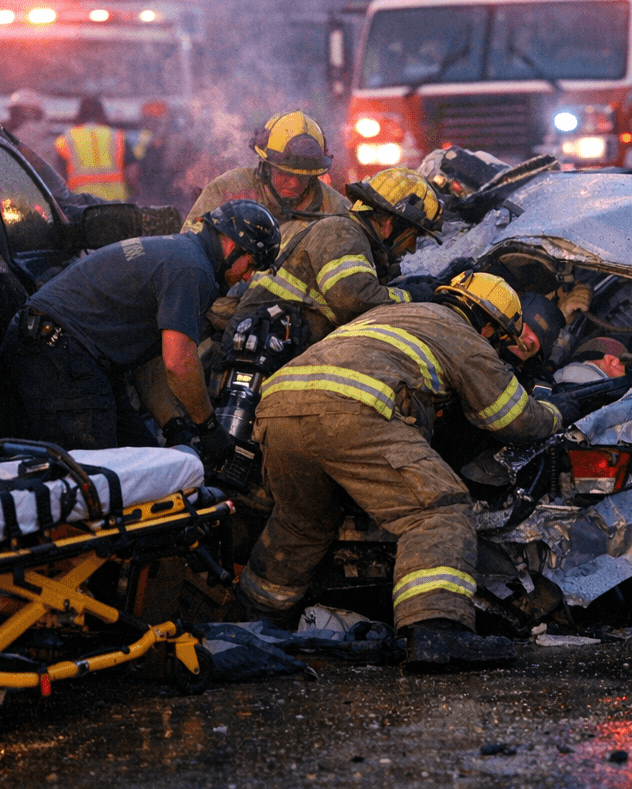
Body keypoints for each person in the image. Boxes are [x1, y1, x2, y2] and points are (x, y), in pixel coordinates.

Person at [236, 271, 579, 672]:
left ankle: (251, 627)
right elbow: (514, 419)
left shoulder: (389, 315)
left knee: (301, 525)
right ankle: (438, 632)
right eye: (498, 339)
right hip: (351, 410)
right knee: (439, 509)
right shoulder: (463, 335)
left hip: (278, 407)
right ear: (488, 325)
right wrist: (558, 413)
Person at [1, 200, 279, 457]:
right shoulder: (194, 270)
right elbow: (179, 363)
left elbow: (151, 360)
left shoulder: (182, 252)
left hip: (65, 349)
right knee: (96, 472)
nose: (247, 276)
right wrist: (209, 429)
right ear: (231, 245)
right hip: (60, 351)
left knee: (143, 456)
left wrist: (172, 425)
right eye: (252, 264)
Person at [228, 166, 442, 350]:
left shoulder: (352, 237)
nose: (413, 247)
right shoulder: (342, 232)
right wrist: (414, 295)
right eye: (412, 236)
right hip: (259, 348)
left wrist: (419, 284)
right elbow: (355, 302)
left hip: (272, 342)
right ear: (391, 223)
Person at [183, 110, 349, 238]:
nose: (294, 183)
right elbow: (190, 245)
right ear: (265, 167)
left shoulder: (336, 208)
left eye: (303, 176)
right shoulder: (227, 190)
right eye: (284, 174)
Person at [54, 95, 130, 201]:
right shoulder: (117, 136)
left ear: (79, 114)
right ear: (102, 113)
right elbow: (132, 171)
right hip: (116, 204)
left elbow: (58, 176)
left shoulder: (66, 139)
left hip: (81, 204)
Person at [553, 336, 628, 385]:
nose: (625, 367)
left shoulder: (566, 372)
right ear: (609, 359)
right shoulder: (595, 382)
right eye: (622, 362)